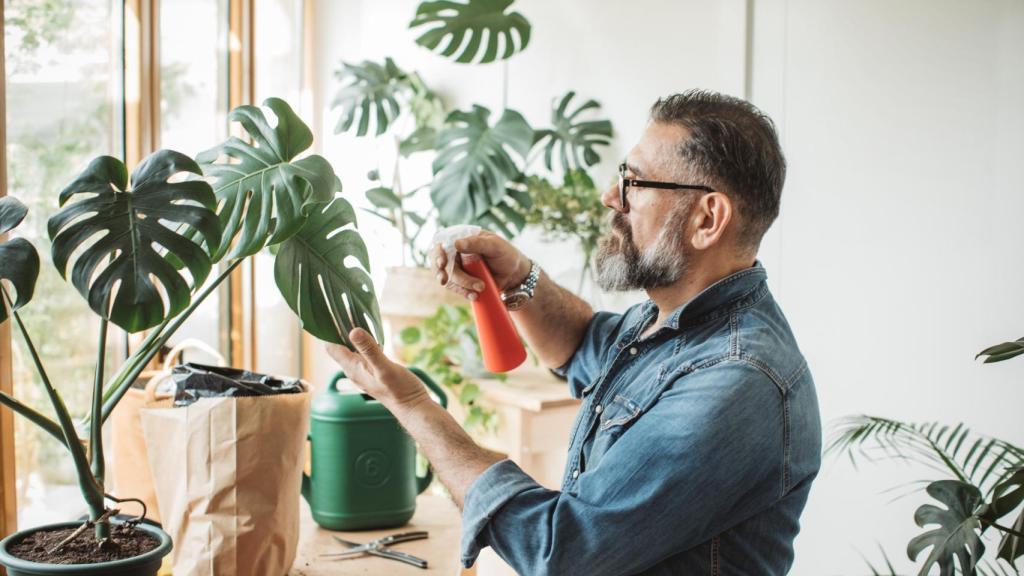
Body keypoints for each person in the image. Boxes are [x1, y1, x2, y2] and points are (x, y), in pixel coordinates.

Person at [327, 89, 821, 575]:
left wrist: (411, 404)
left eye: (635, 182)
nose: (611, 197)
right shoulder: (673, 323)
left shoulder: (735, 381)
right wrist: (518, 276)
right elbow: (583, 343)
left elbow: (559, 549)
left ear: (707, 218)